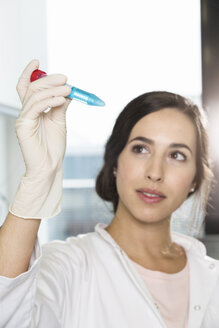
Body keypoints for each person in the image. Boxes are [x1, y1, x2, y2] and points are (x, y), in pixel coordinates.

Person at [0, 59, 218, 328]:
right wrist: (37, 179)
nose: (155, 172)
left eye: (176, 155)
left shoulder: (213, 278)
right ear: (115, 162)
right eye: (141, 149)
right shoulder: (67, 266)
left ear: (195, 178)